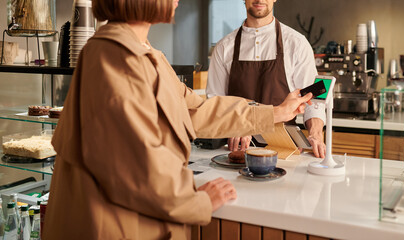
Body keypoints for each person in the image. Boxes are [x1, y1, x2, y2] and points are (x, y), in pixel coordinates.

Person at [42, 0, 313, 239]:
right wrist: (200, 202)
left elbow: (194, 109)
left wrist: (276, 112)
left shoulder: (144, 52)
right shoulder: (116, 59)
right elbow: (139, 171)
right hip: (110, 225)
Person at [207, 0, 326, 158]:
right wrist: (235, 126)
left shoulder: (297, 43)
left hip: (284, 151)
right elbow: (215, 104)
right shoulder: (224, 47)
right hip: (237, 152)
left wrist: (315, 134)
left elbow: (313, 100)